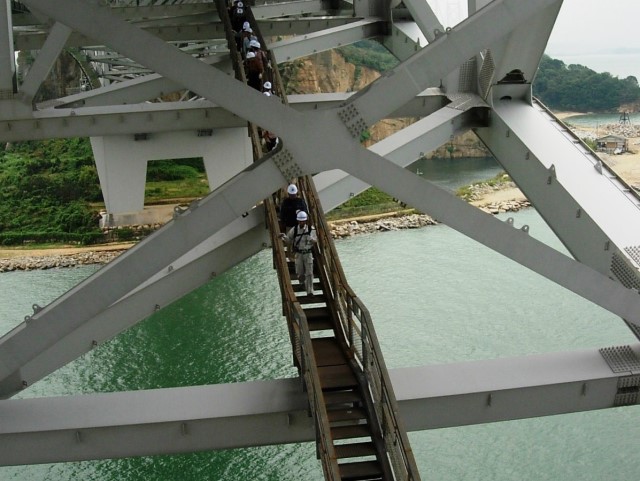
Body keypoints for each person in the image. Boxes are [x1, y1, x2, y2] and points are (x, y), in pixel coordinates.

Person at [281, 211, 317, 296]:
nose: (301, 222)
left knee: (309, 273)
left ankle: (310, 291)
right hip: (299, 254)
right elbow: (289, 240)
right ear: (298, 221)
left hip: (308, 253)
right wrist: (283, 236)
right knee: (300, 272)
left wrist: (311, 239)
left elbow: (315, 241)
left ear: (306, 221)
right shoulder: (295, 229)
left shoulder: (311, 229)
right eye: (300, 221)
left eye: (303, 221)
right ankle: (302, 282)